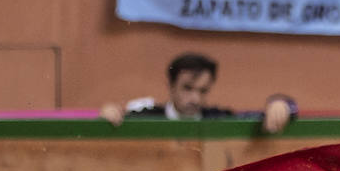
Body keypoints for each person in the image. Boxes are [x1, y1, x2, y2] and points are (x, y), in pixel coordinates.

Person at [99, 52, 297, 134]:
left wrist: (281, 104)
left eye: (203, 91)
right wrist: (108, 115)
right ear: (170, 85)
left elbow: (270, 115)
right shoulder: (146, 117)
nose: (195, 98)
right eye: (187, 88)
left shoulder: (219, 118)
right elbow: (113, 120)